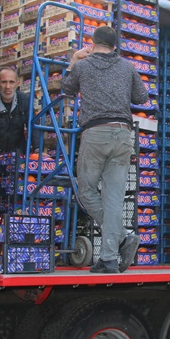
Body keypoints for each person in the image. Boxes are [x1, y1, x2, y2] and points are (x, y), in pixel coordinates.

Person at [62, 25, 147, 273]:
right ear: (115, 46)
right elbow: (142, 98)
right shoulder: (127, 66)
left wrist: (73, 60)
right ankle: (110, 257)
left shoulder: (82, 66)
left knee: (86, 190)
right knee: (114, 199)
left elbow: (66, 89)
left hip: (95, 133)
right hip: (122, 134)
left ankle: (122, 238)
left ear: (92, 42)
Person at [0, 67, 30, 160]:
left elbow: (33, 125)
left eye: (11, 82)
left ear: (17, 83)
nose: (8, 87)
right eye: (4, 82)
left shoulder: (24, 100)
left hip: (17, 156)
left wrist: (38, 148)